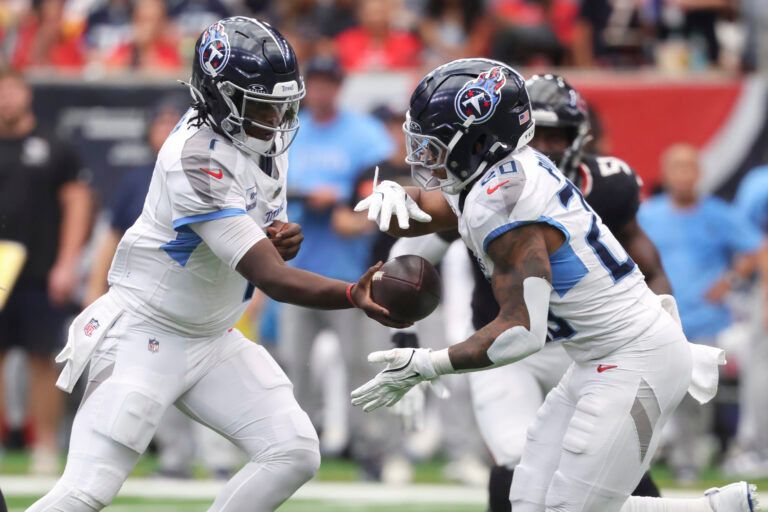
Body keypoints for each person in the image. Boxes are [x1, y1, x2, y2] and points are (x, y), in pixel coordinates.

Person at [27, 17, 403, 512]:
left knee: (292, 451)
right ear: (218, 96)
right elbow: (271, 276)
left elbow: (263, 241)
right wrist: (354, 293)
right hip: (147, 330)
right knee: (86, 491)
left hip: (210, 334)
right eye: (262, 105)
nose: (276, 119)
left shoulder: (260, 138)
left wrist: (277, 239)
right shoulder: (194, 157)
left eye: (281, 105)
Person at [352, 58, 756, 512]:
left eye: (438, 143)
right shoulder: (503, 172)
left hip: (632, 358)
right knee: (529, 500)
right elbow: (427, 210)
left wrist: (426, 364)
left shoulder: (506, 205)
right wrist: (396, 192)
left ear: (481, 140)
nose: (425, 154)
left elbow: (521, 333)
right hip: (597, 357)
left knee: (569, 507)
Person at [387, 74, 668, 510]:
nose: (549, 145)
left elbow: (648, 268)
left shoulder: (582, 187)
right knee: (523, 462)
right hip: (502, 336)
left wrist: (425, 363)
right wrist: (403, 331)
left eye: (559, 135)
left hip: (579, 345)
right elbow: (414, 246)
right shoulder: (497, 185)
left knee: (596, 479)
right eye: (541, 132)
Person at [279, 56, 399, 478]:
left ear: (340, 86)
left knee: (360, 363)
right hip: (296, 271)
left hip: (352, 271)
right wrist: (310, 196)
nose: (323, 89)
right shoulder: (289, 129)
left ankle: (373, 450)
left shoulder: (365, 135)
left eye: (331, 81)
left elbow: (382, 187)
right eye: (317, 81)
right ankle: (293, 450)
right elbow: (269, 183)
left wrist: (345, 205)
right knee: (294, 364)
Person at [639, 143, 766, 482]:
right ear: (665, 175)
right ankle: (648, 455)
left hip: (708, 320)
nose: (683, 175)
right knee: (645, 389)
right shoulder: (647, 214)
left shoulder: (717, 214)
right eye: (676, 168)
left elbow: (757, 249)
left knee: (696, 391)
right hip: (658, 317)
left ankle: (690, 458)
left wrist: (732, 279)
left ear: (699, 174)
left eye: (689, 167)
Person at [0, 69, 92, 475]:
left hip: (40, 269)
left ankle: (45, 446)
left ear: (27, 94)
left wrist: (67, 262)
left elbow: (77, 204)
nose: (5, 99)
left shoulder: (55, 147)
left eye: (11, 90)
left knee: (43, 360)